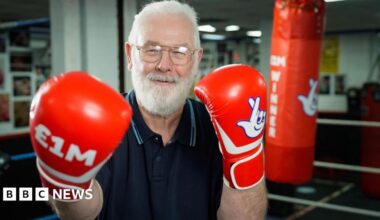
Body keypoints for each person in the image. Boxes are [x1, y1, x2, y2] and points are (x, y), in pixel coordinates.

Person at [31, 1, 268, 219]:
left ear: (196, 60)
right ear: (130, 55)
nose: (164, 65)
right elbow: (81, 214)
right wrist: (66, 183)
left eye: (180, 52)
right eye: (151, 49)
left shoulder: (218, 127)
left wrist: (244, 156)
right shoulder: (105, 122)